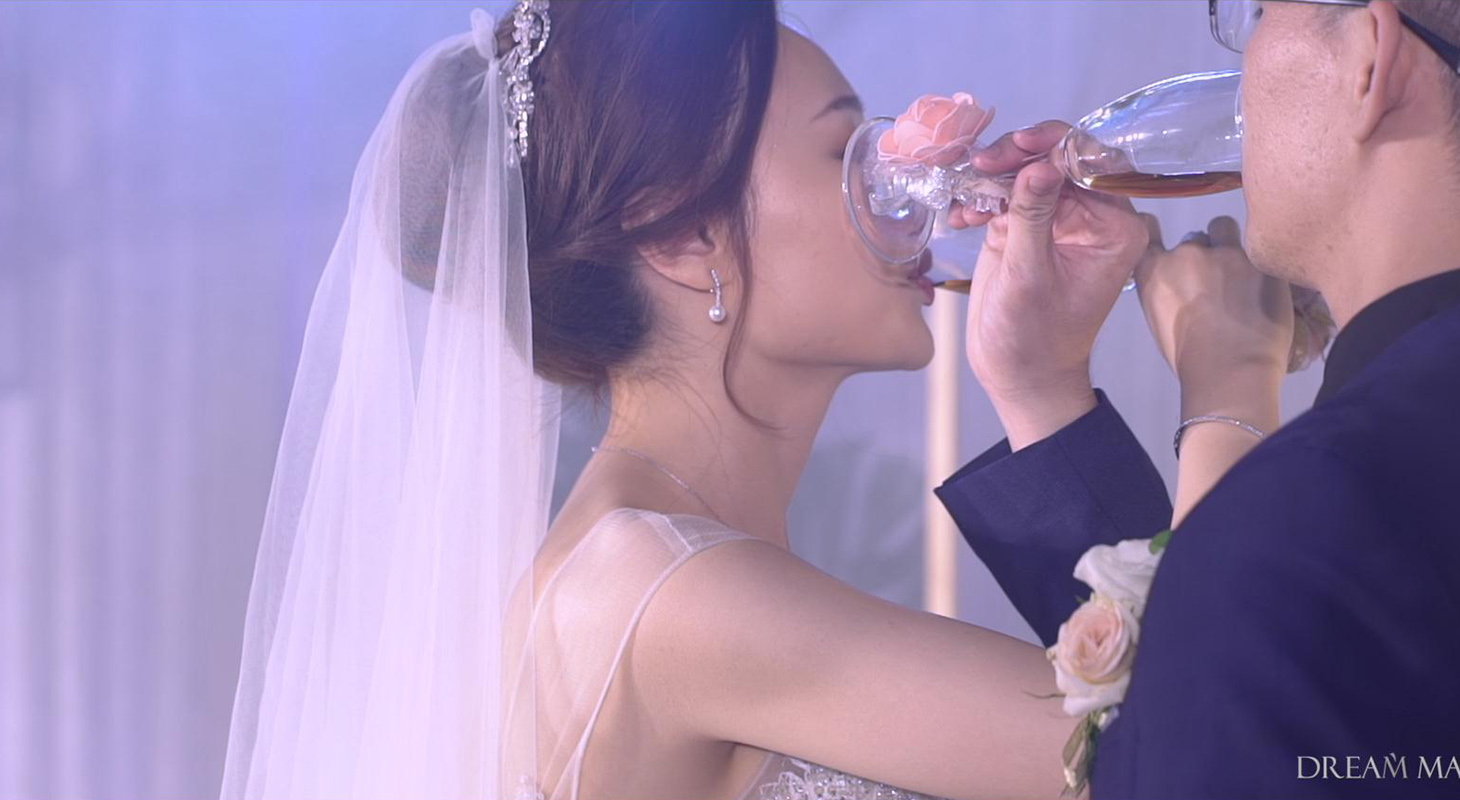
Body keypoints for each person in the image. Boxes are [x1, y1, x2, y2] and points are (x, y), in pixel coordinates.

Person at [221, 2, 1245, 799]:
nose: (919, 187)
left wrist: (1043, 390)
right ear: (682, 235)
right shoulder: (674, 593)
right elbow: (1217, 758)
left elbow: (1161, 730)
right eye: (847, 150)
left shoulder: (639, 565)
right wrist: (1229, 373)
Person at [937, 1, 1460, 798]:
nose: (1239, 67)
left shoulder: (1330, 494)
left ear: (1370, 63)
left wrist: (1228, 398)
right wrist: (1043, 394)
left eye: (1259, 11)